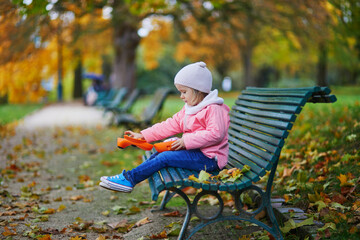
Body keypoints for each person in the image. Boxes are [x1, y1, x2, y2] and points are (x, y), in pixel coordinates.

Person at [99, 62, 230, 192]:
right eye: (180, 92)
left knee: (165, 158)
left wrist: (186, 141)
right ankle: (128, 178)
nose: (181, 96)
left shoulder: (213, 109)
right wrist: (144, 135)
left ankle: (130, 179)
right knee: (162, 153)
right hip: (197, 153)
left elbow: (215, 134)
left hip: (210, 159)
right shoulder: (191, 109)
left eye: (184, 92)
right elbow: (170, 124)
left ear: (198, 90)